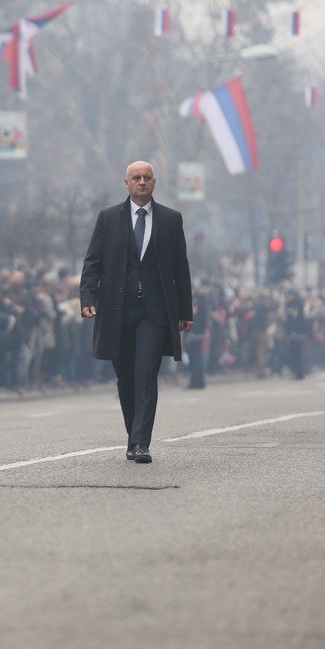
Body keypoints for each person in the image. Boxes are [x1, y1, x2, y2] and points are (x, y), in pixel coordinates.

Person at [79, 161, 192, 465]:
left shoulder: (170, 219)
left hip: (154, 313)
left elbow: (181, 268)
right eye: (136, 178)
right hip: (117, 311)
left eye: (147, 178)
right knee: (126, 378)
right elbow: (93, 263)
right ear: (126, 183)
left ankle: (141, 443)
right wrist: (87, 296)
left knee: (146, 375)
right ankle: (134, 435)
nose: (142, 182)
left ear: (155, 183)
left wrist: (185, 310)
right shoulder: (108, 219)